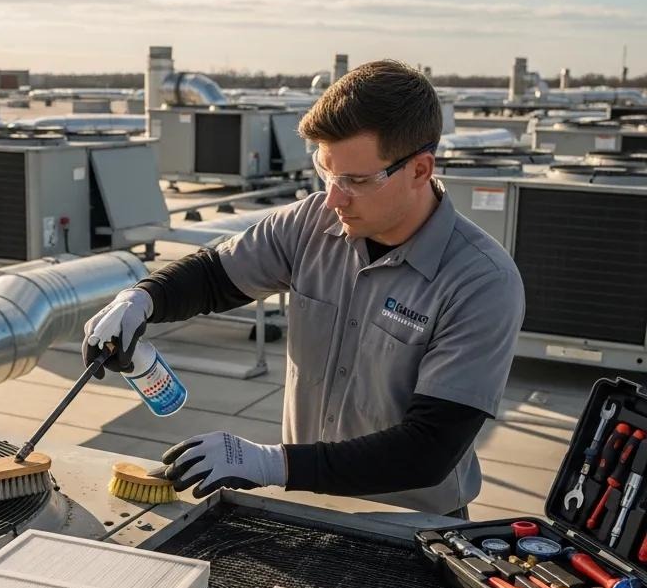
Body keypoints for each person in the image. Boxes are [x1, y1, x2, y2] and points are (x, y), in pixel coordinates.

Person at [83, 60, 524, 516]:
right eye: (326, 172)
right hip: (303, 504)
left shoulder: (481, 281)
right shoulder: (310, 223)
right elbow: (215, 276)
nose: (334, 197)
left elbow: (427, 449)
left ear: (419, 169)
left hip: (410, 526)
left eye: (356, 180)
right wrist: (142, 298)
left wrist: (270, 464)